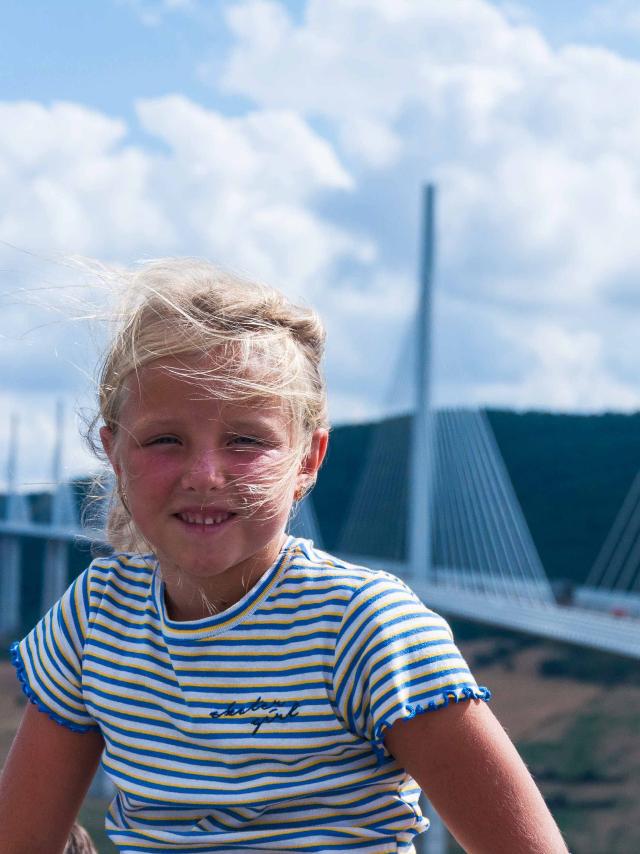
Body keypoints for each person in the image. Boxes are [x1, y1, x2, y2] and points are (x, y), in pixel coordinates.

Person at [0, 259, 568, 853]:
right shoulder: (95, 618)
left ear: (308, 459)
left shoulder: (363, 627)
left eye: (246, 440)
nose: (204, 475)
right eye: (165, 439)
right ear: (114, 452)